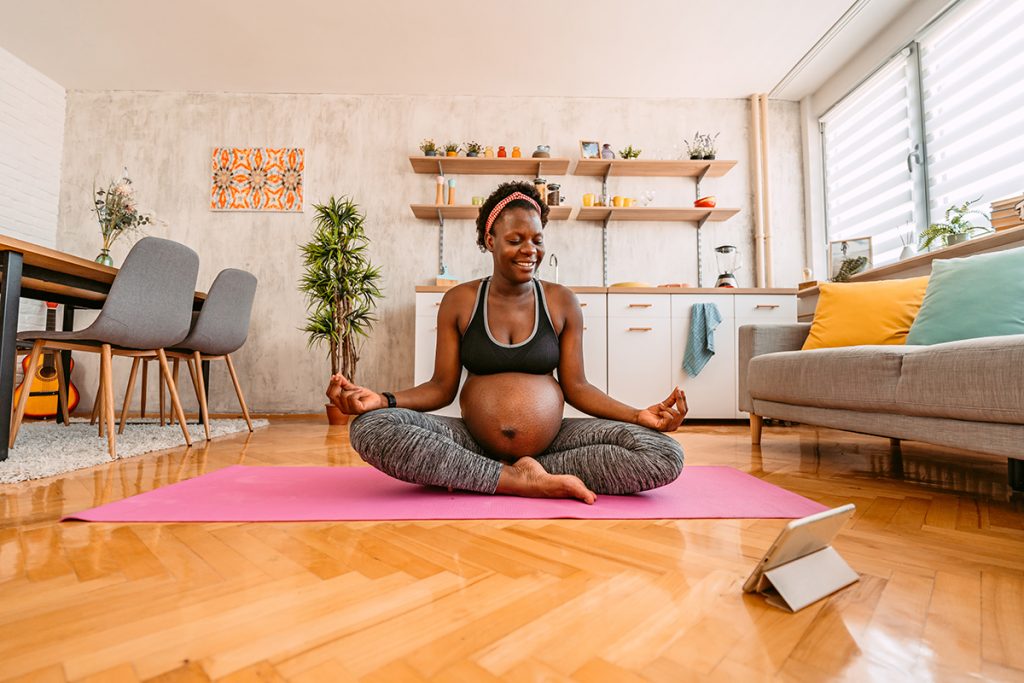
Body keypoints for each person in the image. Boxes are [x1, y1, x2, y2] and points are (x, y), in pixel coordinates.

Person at [328, 180, 687, 504]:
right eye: (515, 240)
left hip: (553, 445)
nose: (529, 250)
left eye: (537, 239)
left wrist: (638, 415)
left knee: (663, 453)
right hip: (472, 442)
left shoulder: (562, 302)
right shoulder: (460, 301)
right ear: (490, 241)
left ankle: (494, 473)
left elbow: (577, 387)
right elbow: (440, 389)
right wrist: (382, 400)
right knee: (371, 426)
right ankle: (515, 479)